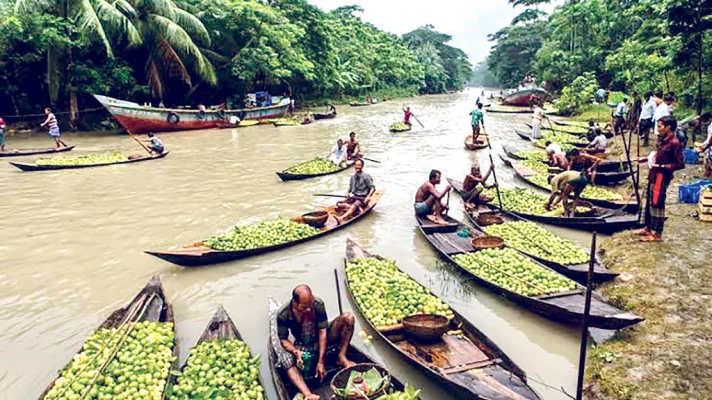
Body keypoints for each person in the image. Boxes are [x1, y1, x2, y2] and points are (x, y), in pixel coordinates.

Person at [277, 285, 355, 400]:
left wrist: (321, 361)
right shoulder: (283, 314)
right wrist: (296, 351)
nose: (308, 309)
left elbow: (323, 332)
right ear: (295, 303)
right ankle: (308, 394)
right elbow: (283, 340)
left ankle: (341, 356)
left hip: (320, 338)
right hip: (302, 344)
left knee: (348, 318)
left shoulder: (317, 304)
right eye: (304, 307)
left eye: (310, 304)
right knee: (285, 359)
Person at [635, 116, 684, 242]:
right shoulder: (662, 140)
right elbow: (657, 155)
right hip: (653, 174)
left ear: (668, 127)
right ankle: (647, 227)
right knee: (649, 200)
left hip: (661, 177)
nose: (658, 128)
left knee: (657, 202)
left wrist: (662, 166)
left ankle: (657, 234)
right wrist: (645, 159)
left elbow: (679, 164)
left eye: (660, 126)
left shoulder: (674, 143)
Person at [336, 159, 375, 224]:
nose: (357, 167)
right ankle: (357, 209)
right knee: (338, 204)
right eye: (356, 165)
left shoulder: (366, 176)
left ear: (362, 166)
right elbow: (350, 188)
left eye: (359, 165)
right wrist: (347, 193)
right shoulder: (353, 177)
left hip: (362, 198)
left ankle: (341, 218)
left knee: (353, 206)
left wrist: (368, 197)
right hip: (354, 197)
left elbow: (372, 188)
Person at [695, 113, 712, 177]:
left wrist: (704, 148)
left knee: (708, 166)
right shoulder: (710, 124)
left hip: (709, 147)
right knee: (707, 165)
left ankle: (707, 180)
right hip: (708, 145)